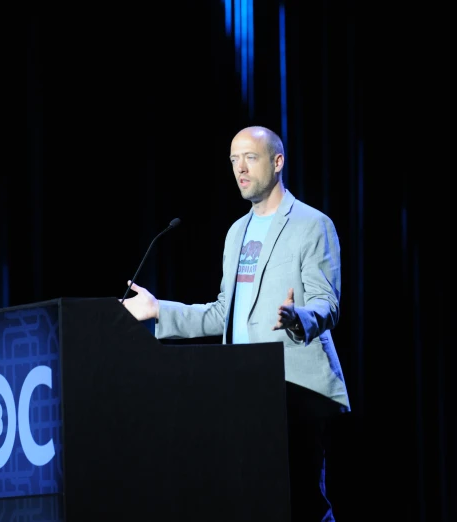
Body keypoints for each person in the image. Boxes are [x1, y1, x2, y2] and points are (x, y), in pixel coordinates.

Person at [121, 125, 350, 521]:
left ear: (278, 162)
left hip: (295, 389)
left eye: (250, 158)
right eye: (233, 160)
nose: (239, 169)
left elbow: (326, 303)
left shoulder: (312, 225)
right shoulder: (236, 232)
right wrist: (160, 310)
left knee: (303, 505)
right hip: (246, 391)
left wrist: (299, 318)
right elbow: (221, 312)